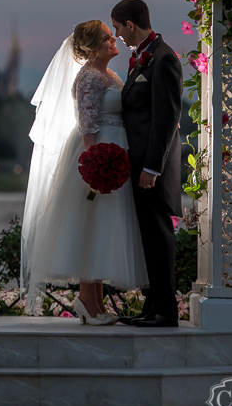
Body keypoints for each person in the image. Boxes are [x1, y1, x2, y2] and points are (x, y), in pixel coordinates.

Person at [21, 20, 148, 325]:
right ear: (92, 47)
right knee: (93, 227)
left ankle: (96, 304)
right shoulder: (90, 78)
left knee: (102, 229)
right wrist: (95, 165)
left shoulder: (110, 74)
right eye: (106, 37)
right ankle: (88, 303)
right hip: (99, 152)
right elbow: (87, 124)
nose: (113, 39)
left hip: (115, 150)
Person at [111, 0, 183, 328]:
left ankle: (167, 311)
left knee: (158, 237)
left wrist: (152, 167)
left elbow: (166, 118)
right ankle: (152, 307)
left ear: (131, 24)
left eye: (117, 28)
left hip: (152, 168)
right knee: (148, 239)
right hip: (139, 165)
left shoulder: (164, 59)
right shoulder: (143, 59)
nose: (117, 35)